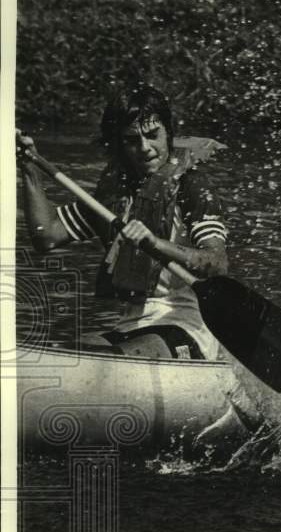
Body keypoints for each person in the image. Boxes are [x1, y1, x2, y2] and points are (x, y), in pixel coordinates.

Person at [17, 84, 229, 360]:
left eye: (153, 135)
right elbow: (47, 235)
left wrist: (156, 243)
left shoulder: (192, 187)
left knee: (120, 356)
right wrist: (29, 167)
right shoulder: (114, 195)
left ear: (168, 132)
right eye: (132, 140)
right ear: (119, 144)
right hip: (129, 326)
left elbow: (217, 262)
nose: (145, 148)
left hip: (185, 326)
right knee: (66, 351)